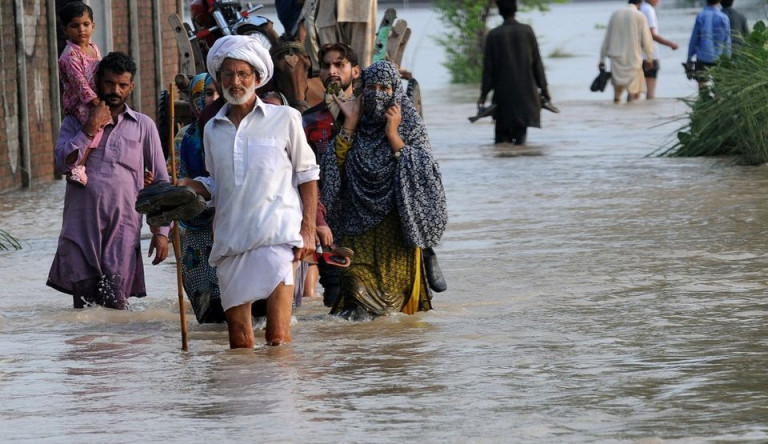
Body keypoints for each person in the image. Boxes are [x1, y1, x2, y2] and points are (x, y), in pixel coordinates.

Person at [180, 35, 319, 348]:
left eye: (243, 74)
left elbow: (308, 174)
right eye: (228, 74)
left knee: (278, 339)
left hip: (278, 239)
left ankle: (282, 398)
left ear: (257, 78)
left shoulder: (286, 118)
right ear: (219, 78)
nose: (235, 81)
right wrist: (190, 186)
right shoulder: (212, 128)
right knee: (240, 343)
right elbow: (216, 185)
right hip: (231, 243)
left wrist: (308, 229)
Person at [319, 60, 447, 320]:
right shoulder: (352, 127)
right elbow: (333, 171)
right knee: (355, 288)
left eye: (385, 89)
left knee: (392, 309)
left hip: (396, 236)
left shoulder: (409, 125)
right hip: (357, 231)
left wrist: (393, 135)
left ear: (396, 93)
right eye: (372, 87)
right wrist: (350, 124)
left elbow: (426, 173)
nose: (377, 94)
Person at [48, 52, 171, 309]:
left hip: (123, 229)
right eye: (109, 83)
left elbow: (160, 181)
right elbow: (61, 163)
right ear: (97, 82)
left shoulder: (143, 126)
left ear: (131, 87)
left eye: (122, 85)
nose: (115, 90)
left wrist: (161, 232)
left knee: (115, 304)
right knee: (85, 310)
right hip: (81, 229)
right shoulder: (74, 122)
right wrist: (90, 128)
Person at [302, 42, 361, 307]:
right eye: (326, 66)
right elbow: (304, 176)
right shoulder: (307, 121)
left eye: (340, 64)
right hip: (327, 224)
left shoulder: (370, 114)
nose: (332, 71)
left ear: (355, 72)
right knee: (336, 299)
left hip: (365, 220)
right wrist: (316, 221)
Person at [169, 73, 225, 324]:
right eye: (206, 94)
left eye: (216, 93)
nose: (212, 99)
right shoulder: (184, 138)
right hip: (193, 230)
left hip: (228, 226)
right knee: (207, 314)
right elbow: (176, 182)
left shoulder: (233, 132)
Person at [477, 0, 550, 145]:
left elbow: (488, 71)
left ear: (499, 12)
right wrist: (544, 89)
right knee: (520, 144)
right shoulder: (527, 31)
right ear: (516, 10)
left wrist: (483, 95)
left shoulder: (493, 35)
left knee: (501, 143)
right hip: (525, 98)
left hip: (503, 99)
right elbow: (537, 63)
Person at [57, 1, 103, 186]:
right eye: (74, 26)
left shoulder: (93, 48)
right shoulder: (69, 56)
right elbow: (81, 86)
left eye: (85, 24)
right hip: (79, 103)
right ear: (65, 29)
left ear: (93, 25)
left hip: (95, 98)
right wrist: (98, 105)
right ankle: (78, 167)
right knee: (95, 127)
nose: (81, 30)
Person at [599, 0, 654, 103]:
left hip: (616, 59)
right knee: (633, 92)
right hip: (633, 58)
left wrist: (602, 59)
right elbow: (647, 40)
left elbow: (607, 39)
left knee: (617, 93)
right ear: (640, 4)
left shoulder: (615, 14)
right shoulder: (640, 16)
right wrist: (649, 58)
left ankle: (616, 115)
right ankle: (630, 116)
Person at [686, 0, 731, 89]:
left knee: (703, 87)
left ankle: (703, 99)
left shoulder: (701, 16)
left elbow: (694, 39)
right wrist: (727, 59)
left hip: (703, 58)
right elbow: (727, 41)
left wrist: (689, 58)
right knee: (720, 88)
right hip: (719, 58)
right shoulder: (724, 17)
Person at [639, 0, 679, 99]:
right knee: (650, 93)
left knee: (635, 90)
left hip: (638, 54)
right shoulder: (648, 10)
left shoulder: (640, 8)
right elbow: (652, 34)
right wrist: (670, 44)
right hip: (650, 55)